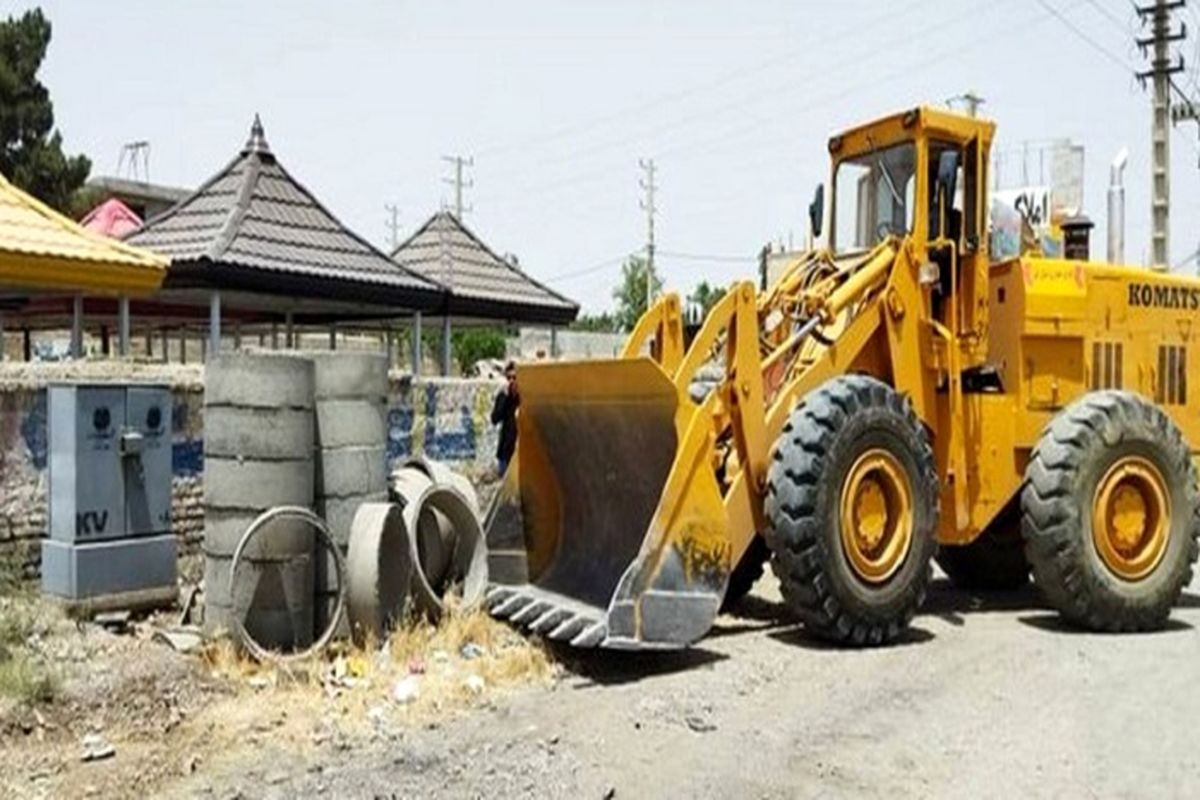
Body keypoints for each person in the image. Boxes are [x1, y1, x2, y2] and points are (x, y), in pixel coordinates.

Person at [491, 361, 520, 475]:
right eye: (509, 378)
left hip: (519, 453)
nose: (511, 381)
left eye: (514, 377)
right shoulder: (503, 396)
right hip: (505, 452)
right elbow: (495, 418)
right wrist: (506, 398)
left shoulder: (523, 398)